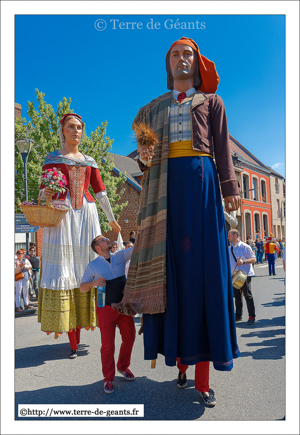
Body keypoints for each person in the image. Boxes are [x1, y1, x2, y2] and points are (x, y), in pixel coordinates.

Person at [113, 37, 241, 407]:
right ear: (168, 65)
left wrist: (229, 185)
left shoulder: (212, 102)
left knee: (204, 277)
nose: (182, 59)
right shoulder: (152, 109)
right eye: (175, 55)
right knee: (172, 275)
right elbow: (143, 151)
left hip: (201, 186)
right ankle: (181, 366)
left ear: (196, 63)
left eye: (188, 54)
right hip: (165, 191)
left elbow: (221, 147)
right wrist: (144, 152)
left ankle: (201, 377)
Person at [38, 113, 120, 358]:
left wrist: (111, 217)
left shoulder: (90, 161)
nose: (76, 131)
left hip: (86, 214)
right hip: (61, 217)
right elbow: (42, 194)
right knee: (64, 271)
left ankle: (85, 328)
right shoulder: (51, 159)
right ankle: (72, 338)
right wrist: (47, 194)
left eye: (79, 128)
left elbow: (101, 192)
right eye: (71, 127)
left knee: (88, 267)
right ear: (62, 129)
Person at [80, 235, 135, 394]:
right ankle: (108, 379)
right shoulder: (93, 266)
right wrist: (93, 283)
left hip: (124, 306)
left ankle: (123, 367)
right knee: (108, 346)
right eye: (103, 240)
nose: (107, 240)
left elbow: (137, 249)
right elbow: (82, 287)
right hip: (105, 308)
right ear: (97, 247)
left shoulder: (120, 255)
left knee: (130, 337)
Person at [228, 229, 256, 325]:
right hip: (234, 275)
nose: (228, 237)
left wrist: (243, 261)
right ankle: (238, 315)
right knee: (237, 296)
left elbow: (254, 259)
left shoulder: (245, 246)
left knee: (247, 295)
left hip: (244, 275)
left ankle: (252, 316)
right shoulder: (229, 248)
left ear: (235, 236)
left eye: (229, 235)